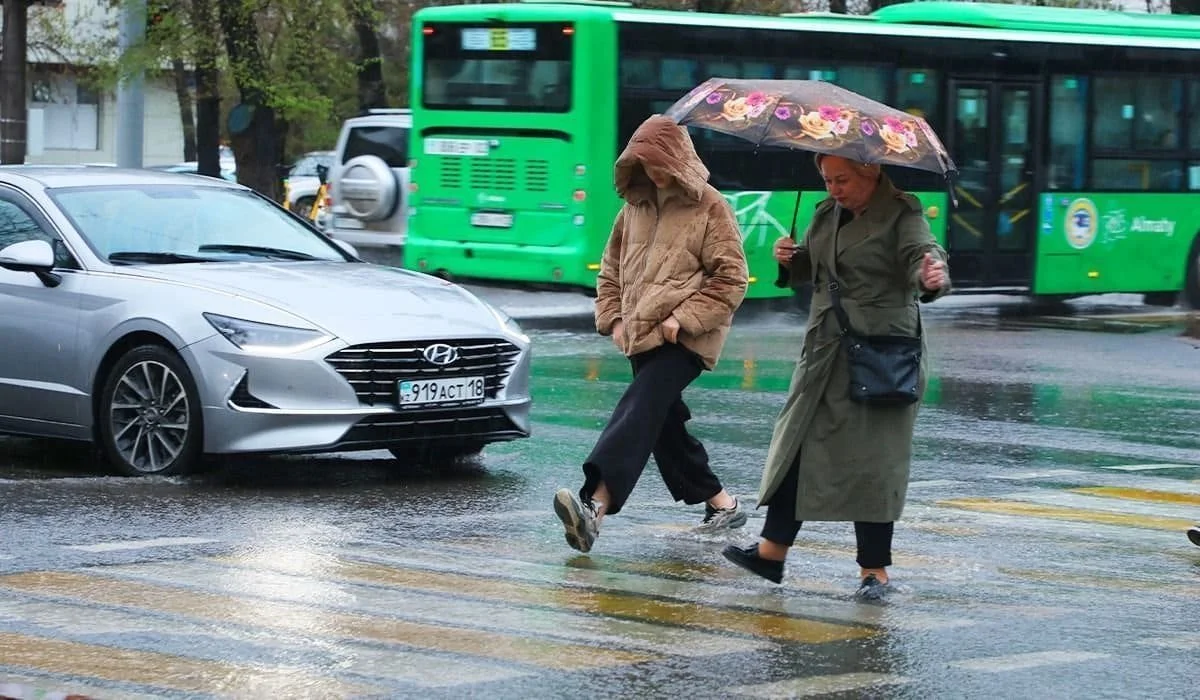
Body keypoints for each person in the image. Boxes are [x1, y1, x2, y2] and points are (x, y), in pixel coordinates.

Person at [721, 153, 950, 600]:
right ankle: (771, 553)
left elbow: (921, 257)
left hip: (880, 357)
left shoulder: (903, 212)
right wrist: (791, 259)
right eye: (826, 179)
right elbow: (817, 268)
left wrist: (931, 275)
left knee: (873, 464)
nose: (833, 189)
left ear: (871, 172)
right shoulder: (827, 212)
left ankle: (874, 572)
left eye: (842, 179)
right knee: (798, 450)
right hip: (825, 353)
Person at [553, 114, 750, 553]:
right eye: (642, 161)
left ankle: (594, 506)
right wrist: (615, 320)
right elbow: (610, 273)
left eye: (659, 161)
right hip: (638, 336)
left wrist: (682, 321)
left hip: (686, 339)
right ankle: (722, 504)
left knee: (638, 409)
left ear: (679, 158)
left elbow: (733, 278)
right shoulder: (633, 207)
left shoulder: (709, 205)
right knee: (662, 425)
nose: (653, 170)